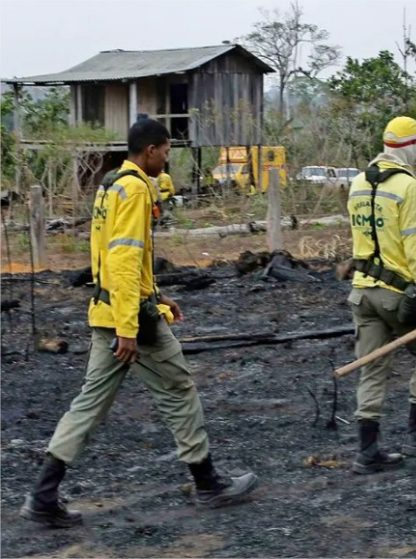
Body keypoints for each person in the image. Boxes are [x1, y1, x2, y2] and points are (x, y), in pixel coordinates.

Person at [20, 119, 257, 528]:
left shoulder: (110, 185)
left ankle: (42, 497)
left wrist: (156, 294)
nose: (166, 159)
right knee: (179, 391)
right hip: (131, 322)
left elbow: (111, 255)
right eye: (165, 152)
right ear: (150, 150)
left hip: (107, 310)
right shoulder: (134, 189)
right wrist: (129, 328)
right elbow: (125, 258)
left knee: (88, 404)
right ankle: (208, 484)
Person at [346, 116, 416, 474]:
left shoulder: (358, 182)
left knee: (372, 368)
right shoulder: (408, 185)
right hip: (397, 296)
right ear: (411, 145)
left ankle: (367, 452)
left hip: (362, 292)